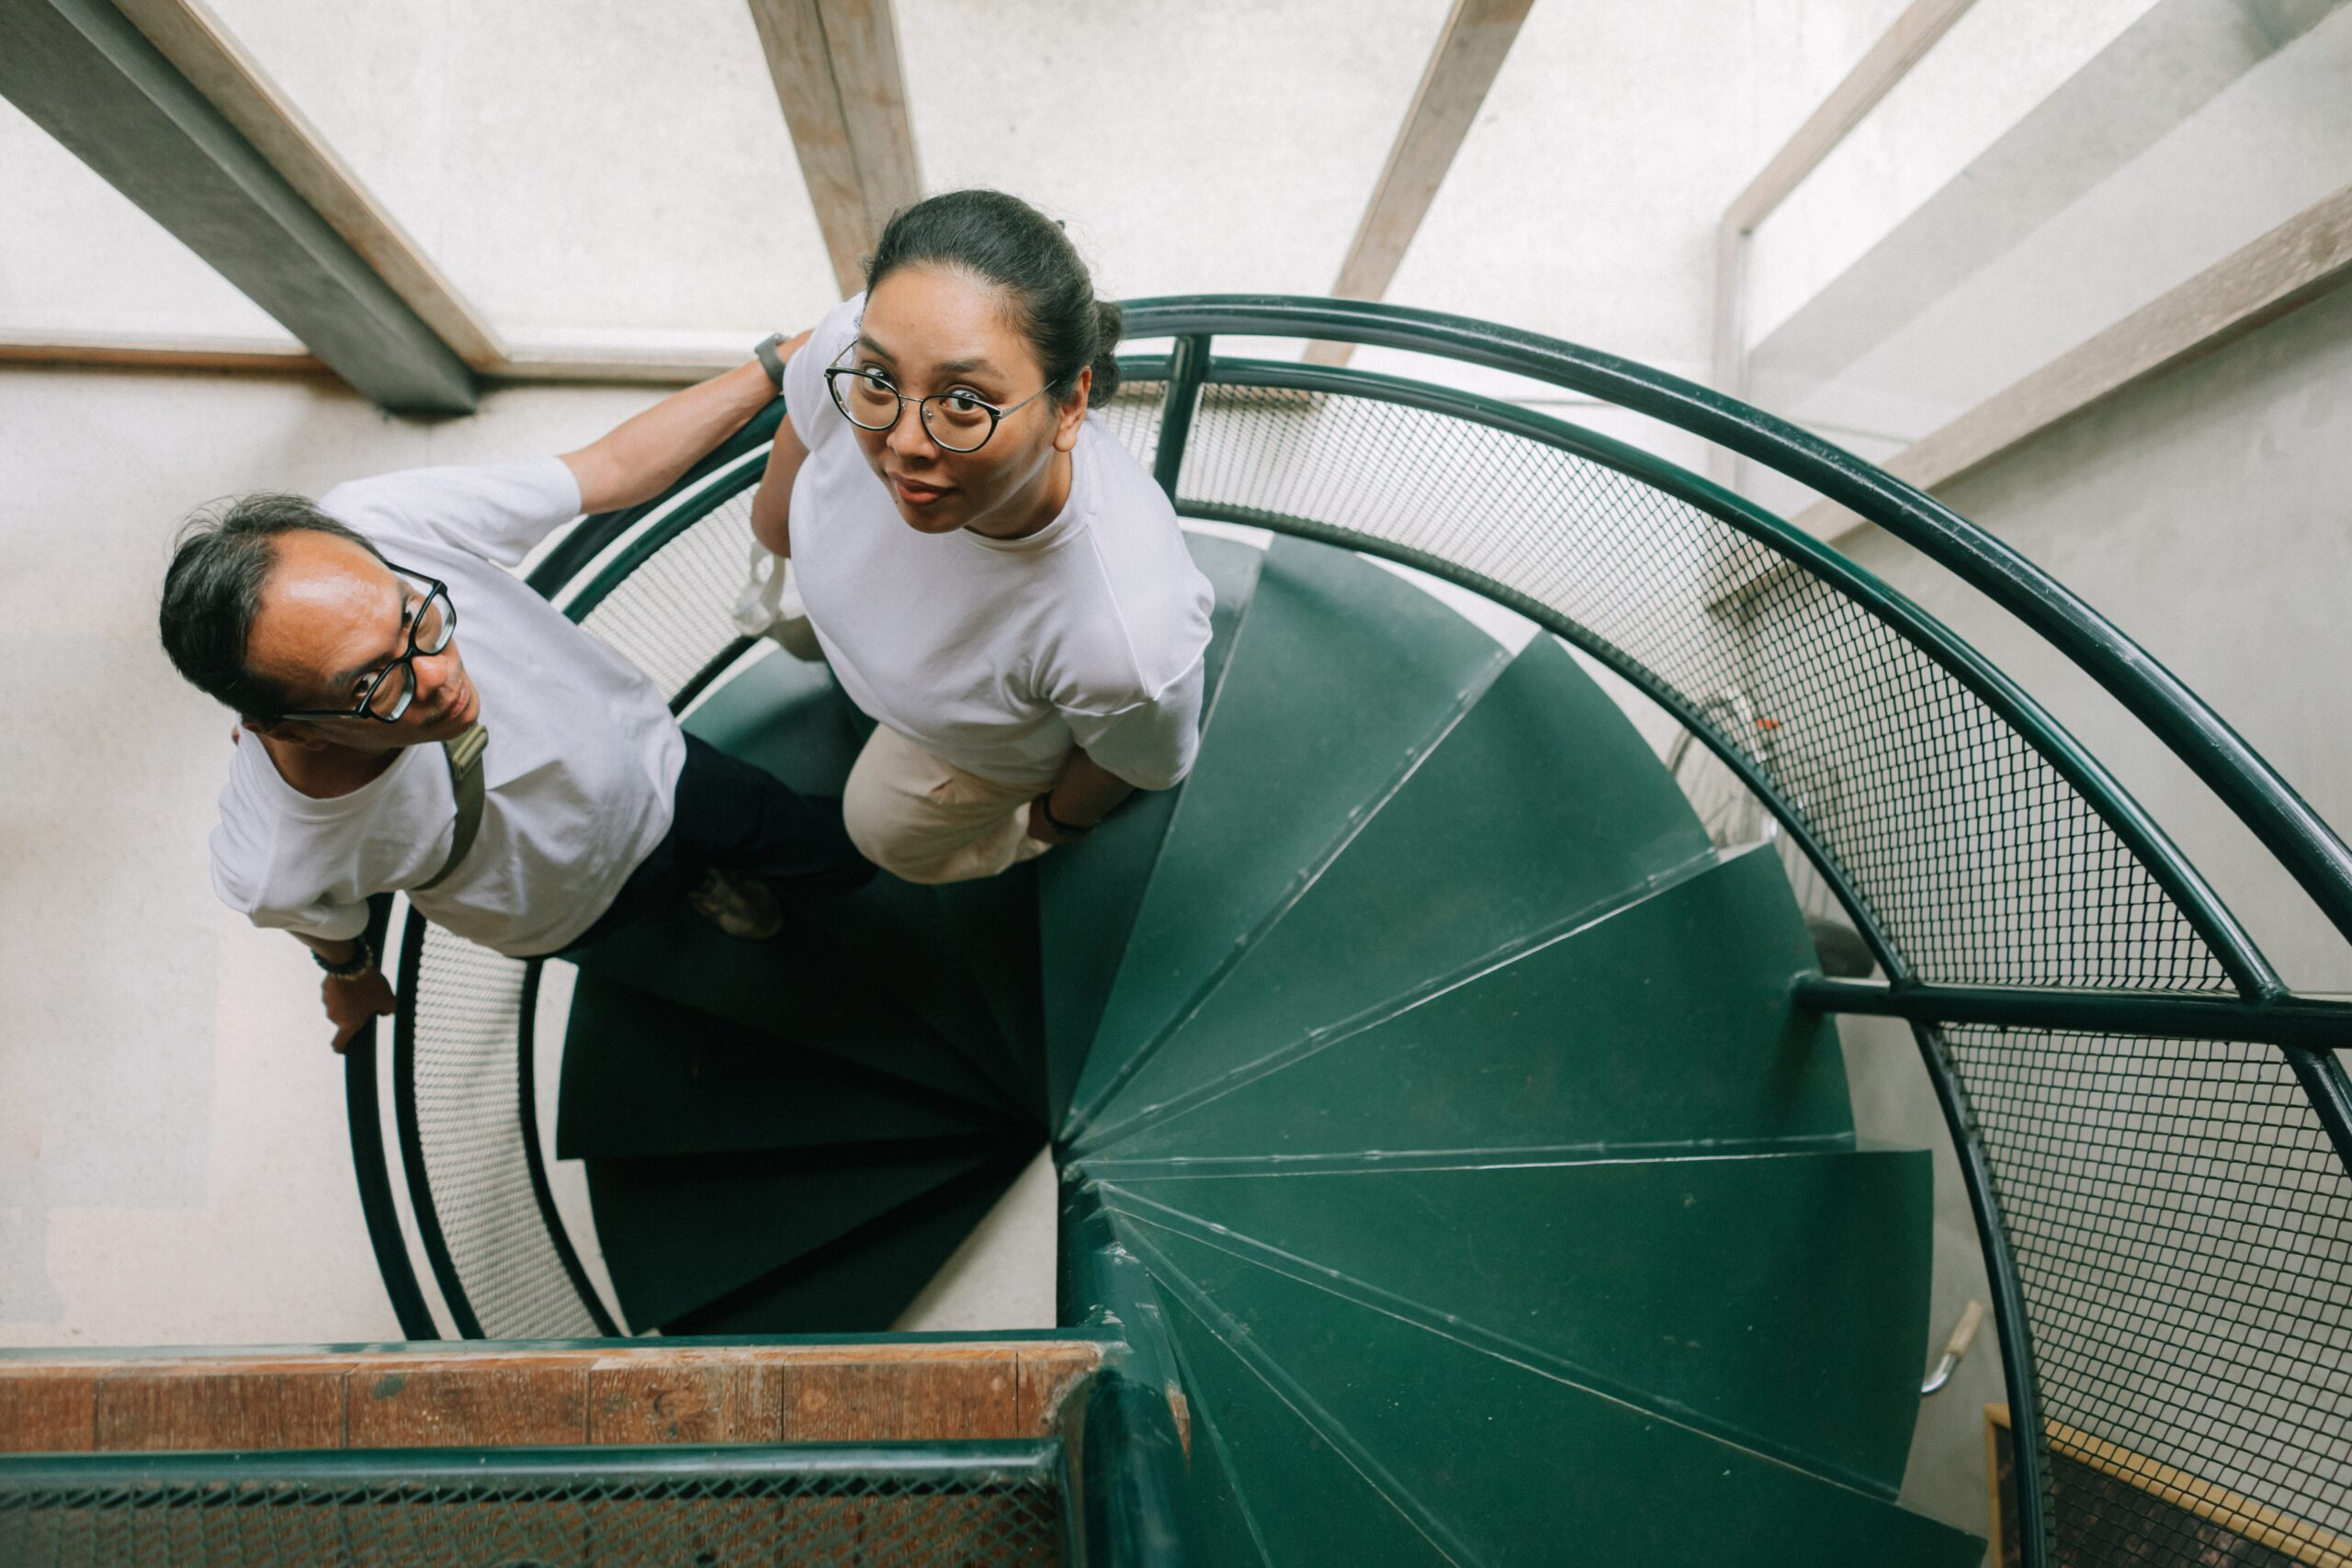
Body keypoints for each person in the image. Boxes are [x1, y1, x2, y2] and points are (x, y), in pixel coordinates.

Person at [160, 356, 871, 1053]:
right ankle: (704, 887)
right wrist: (349, 972)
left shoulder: (376, 522)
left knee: (811, 841)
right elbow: (314, 913)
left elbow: (608, 469)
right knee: (652, 915)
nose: (440, 675)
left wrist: (780, 364)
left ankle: (871, 880)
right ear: (290, 729)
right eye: (374, 684)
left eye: (413, 613)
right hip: (565, 905)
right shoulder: (272, 853)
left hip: (652, 763)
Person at [748, 189, 1215, 885]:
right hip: (879, 672)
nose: (904, 444)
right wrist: (779, 525)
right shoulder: (852, 341)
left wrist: (1053, 821)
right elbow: (799, 443)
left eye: (964, 401)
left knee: (879, 832)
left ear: (1070, 403)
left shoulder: (1125, 636)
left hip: (973, 758)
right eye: (879, 378)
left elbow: (1134, 760)